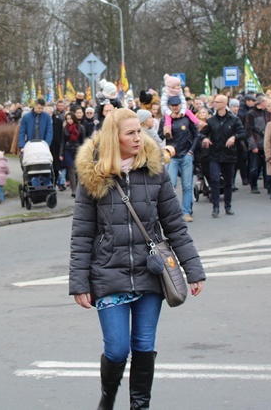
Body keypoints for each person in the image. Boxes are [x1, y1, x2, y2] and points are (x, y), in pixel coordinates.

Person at [69, 108, 205, 410]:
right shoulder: (93, 177)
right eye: (130, 133)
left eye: (140, 131)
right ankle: (108, 397)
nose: (138, 138)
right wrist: (79, 283)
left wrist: (193, 270)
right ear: (113, 138)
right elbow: (81, 234)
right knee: (117, 350)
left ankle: (139, 406)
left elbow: (175, 226)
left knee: (144, 347)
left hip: (149, 272)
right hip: (108, 274)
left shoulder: (155, 173)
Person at [200, 94, 247, 218]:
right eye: (214, 101)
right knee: (215, 179)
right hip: (214, 154)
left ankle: (228, 205)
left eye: (217, 101)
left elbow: (243, 133)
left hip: (229, 154)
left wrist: (234, 137)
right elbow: (201, 134)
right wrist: (204, 138)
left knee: (228, 182)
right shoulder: (211, 121)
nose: (214, 103)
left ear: (224, 104)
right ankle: (215, 206)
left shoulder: (234, 119)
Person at [163, 95, 200, 222]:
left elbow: (197, 135)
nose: (175, 108)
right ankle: (173, 212)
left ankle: (186, 212)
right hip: (172, 156)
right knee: (171, 184)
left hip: (186, 155)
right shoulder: (167, 119)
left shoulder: (187, 117)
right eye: (172, 106)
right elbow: (159, 136)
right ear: (169, 106)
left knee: (187, 185)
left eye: (177, 105)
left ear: (180, 105)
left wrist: (191, 151)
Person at [245, 96, 271, 194]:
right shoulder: (251, 114)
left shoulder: (267, 113)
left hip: (266, 144)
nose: (267, 104)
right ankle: (254, 185)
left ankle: (268, 185)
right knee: (254, 167)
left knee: (267, 166)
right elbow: (248, 131)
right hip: (256, 143)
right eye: (266, 102)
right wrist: (253, 145)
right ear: (261, 102)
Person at [60, 111, 86, 197]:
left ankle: (79, 188)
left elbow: (83, 141)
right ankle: (74, 190)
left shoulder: (80, 127)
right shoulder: (65, 128)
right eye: (67, 119)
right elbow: (63, 141)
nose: (69, 120)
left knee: (78, 170)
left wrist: (84, 152)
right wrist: (61, 153)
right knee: (71, 169)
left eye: (70, 118)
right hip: (68, 150)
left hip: (78, 150)